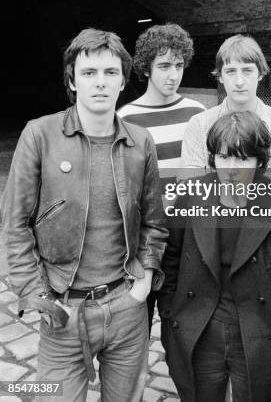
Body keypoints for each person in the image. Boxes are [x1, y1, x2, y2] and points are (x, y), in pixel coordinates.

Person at [1, 28, 167, 402]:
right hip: (64, 311)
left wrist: (143, 284)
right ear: (72, 80)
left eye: (110, 73)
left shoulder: (140, 142)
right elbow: (14, 225)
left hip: (126, 307)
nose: (100, 83)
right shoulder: (39, 135)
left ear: (124, 80)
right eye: (89, 73)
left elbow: (155, 223)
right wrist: (39, 296)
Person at [158, 110, 271, 402]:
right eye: (224, 157)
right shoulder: (191, 195)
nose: (232, 168)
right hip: (200, 325)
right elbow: (170, 259)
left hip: (256, 326)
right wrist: (170, 314)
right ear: (212, 159)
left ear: (259, 161)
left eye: (242, 158)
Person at [118, 23, 205, 330]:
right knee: (134, 327)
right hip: (145, 242)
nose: (173, 74)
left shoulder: (197, 112)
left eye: (179, 65)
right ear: (146, 68)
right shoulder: (125, 119)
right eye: (164, 66)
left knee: (185, 329)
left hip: (188, 240)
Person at [180, 34, 271, 184]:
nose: (239, 81)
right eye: (231, 71)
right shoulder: (199, 124)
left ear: (260, 74)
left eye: (247, 71)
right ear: (220, 76)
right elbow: (191, 186)